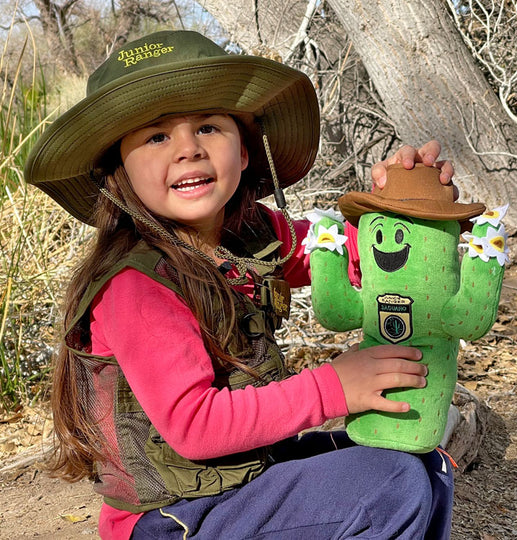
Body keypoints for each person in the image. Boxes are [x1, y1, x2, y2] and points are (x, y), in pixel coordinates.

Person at [25, 30, 455, 540]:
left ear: (246, 153)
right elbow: (194, 426)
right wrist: (335, 386)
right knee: (389, 484)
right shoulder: (136, 287)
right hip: (174, 517)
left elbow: (363, 260)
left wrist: (408, 206)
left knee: (426, 465)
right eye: (157, 136)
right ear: (117, 171)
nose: (188, 150)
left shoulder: (254, 235)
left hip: (243, 478)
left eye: (208, 127)